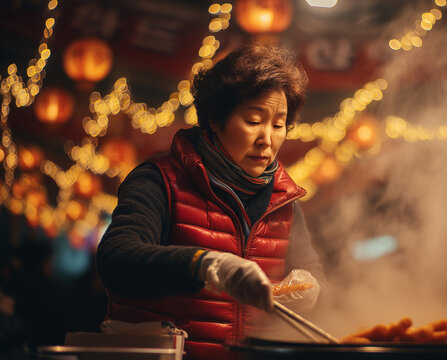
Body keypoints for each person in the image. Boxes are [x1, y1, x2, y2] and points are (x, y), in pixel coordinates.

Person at [96, 43, 326, 360]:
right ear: (215, 121)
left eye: (278, 124)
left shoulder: (284, 202)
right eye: (253, 120)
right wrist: (204, 264)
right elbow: (116, 261)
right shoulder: (159, 180)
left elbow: (312, 273)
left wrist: (312, 289)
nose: (267, 139)